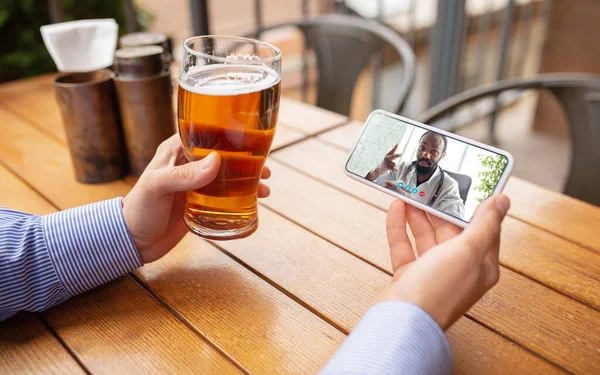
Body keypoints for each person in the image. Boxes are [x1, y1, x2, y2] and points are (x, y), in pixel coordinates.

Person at [0, 134, 510, 374]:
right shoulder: (399, 164)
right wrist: (412, 317)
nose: (426, 156)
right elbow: (380, 179)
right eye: (424, 149)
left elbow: (438, 212)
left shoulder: (444, 187)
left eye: (432, 153)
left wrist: (127, 233)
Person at [366, 131, 466, 220]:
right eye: (422, 148)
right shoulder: (403, 167)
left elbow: (456, 218)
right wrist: (378, 170)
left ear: (442, 155)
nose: (425, 155)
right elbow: (367, 187)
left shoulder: (449, 186)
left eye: (434, 151)